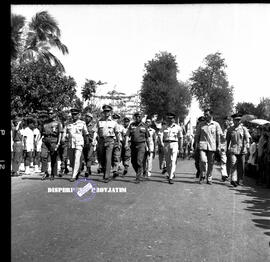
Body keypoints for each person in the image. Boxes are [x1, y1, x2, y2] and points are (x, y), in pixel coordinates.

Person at [194, 108, 222, 185]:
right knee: (203, 160)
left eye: (207, 114)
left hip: (212, 146)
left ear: (211, 115)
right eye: (205, 114)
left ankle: (209, 178)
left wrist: (219, 146)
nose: (205, 116)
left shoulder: (216, 124)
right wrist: (196, 144)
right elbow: (197, 135)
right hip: (202, 146)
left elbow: (218, 136)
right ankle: (202, 175)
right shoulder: (201, 124)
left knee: (211, 163)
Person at [96, 105, 120, 183]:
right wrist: (94, 141)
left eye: (108, 111)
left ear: (110, 112)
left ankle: (106, 176)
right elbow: (95, 132)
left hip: (110, 141)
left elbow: (117, 134)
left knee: (108, 158)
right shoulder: (99, 121)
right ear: (103, 112)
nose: (106, 113)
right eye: (105, 111)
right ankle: (104, 170)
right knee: (101, 158)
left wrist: (118, 143)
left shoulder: (114, 123)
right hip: (101, 141)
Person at [125, 112, 150, 184]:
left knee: (139, 160)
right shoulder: (132, 125)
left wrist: (149, 148)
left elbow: (147, 138)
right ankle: (140, 172)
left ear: (141, 117)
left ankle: (138, 177)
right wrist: (126, 143)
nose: (138, 118)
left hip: (141, 145)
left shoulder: (144, 126)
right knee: (133, 161)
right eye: (136, 116)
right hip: (133, 145)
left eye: (139, 117)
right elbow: (127, 135)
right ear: (134, 117)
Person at [226, 113, 251, 187]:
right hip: (233, 150)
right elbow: (227, 141)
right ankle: (233, 179)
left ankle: (239, 180)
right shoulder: (230, 129)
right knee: (233, 164)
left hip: (242, 150)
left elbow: (247, 138)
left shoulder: (244, 129)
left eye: (239, 120)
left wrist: (247, 145)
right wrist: (226, 149)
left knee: (241, 167)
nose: (238, 121)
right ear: (233, 120)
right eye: (236, 120)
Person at [159, 113, 183, 184]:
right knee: (168, 161)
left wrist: (180, 147)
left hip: (174, 144)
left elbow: (180, 138)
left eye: (171, 118)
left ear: (174, 119)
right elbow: (160, 134)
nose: (170, 120)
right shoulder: (164, 127)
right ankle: (170, 174)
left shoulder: (178, 127)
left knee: (173, 160)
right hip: (166, 144)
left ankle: (171, 177)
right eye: (168, 118)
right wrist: (161, 143)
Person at [66, 108, 89, 182]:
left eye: (75, 114)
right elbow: (65, 133)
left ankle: (73, 175)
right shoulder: (68, 123)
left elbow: (86, 134)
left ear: (78, 115)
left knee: (77, 159)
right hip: (70, 143)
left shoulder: (82, 123)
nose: (74, 116)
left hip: (79, 143)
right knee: (72, 160)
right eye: (73, 114)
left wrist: (87, 143)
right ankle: (77, 170)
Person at [40, 109, 63, 180]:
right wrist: (38, 141)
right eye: (49, 113)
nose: (50, 115)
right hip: (45, 140)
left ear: (54, 114)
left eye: (51, 113)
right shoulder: (44, 123)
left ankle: (53, 173)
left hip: (53, 141)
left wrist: (58, 143)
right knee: (43, 156)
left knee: (53, 157)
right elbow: (41, 133)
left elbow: (60, 134)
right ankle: (45, 172)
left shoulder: (58, 123)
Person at [83, 112, 97, 177]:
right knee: (85, 157)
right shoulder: (83, 125)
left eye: (88, 117)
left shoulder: (94, 125)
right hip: (83, 143)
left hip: (91, 143)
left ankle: (87, 170)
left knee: (89, 156)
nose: (87, 118)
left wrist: (95, 142)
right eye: (86, 117)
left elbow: (96, 134)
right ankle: (89, 168)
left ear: (91, 118)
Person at [111, 113, 123, 178]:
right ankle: (115, 168)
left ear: (118, 119)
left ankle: (115, 170)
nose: (115, 119)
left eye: (116, 118)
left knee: (116, 156)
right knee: (111, 157)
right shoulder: (110, 125)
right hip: (111, 141)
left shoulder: (120, 126)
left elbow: (124, 135)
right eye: (114, 118)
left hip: (118, 141)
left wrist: (120, 143)